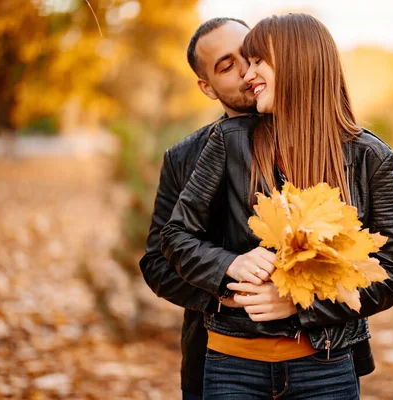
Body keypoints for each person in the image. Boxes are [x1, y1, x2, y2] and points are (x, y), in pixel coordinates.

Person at [161, 13, 393, 399]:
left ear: (297, 62)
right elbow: (174, 236)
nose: (248, 75)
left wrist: (300, 303)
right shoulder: (229, 142)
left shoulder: (370, 157)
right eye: (239, 65)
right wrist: (228, 266)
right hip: (234, 366)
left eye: (258, 61)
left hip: (325, 367)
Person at [138, 17, 261, 400]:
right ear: (207, 87)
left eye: (250, 54)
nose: (246, 71)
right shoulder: (183, 158)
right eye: (226, 66)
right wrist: (223, 289)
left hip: (315, 363)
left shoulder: (313, 140)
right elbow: (157, 263)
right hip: (214, 358)